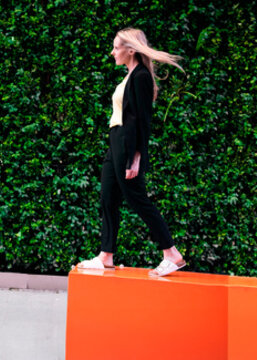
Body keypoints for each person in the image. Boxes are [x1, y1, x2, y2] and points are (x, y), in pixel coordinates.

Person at [76, 28, 186, 277]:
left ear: (131, 50)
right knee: (108, 196)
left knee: (137, 199)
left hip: (126, 144)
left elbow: (142, 120)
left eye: (116, 47)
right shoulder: (130, 76)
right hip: (115, 140)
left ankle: (171, 253)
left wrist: (136, 156)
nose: (112, 52)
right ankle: (106, 256)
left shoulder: (141, 77)